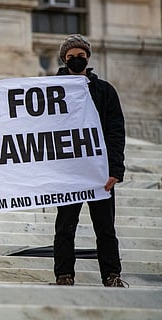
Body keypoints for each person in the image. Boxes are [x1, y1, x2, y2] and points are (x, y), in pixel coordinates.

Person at [53, 34, 127, 287]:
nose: (75, 60)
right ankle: (64, 274)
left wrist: (115, 170)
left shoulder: (105, 91)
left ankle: (112, 275)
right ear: (64, 59)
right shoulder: (50, 89)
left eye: (80, 56)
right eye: (70, 57)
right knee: (65, 226)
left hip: (100, 171)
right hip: (69, 171)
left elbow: (116, 132)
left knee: (105, 228)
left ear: (88, 57)